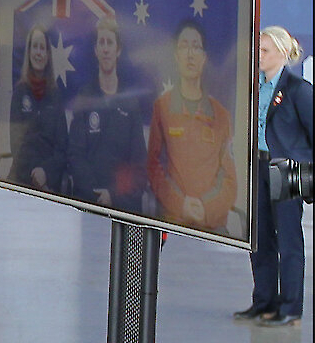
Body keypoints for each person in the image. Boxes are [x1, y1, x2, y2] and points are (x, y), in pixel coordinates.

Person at [238, 26, 311, 327]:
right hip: (258, 166)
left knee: (289, 238)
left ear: (281, 53)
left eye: (265, 50)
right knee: (260, 237)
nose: (259, 55)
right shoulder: (255, 87)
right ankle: (264, 301)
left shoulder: (297, 89)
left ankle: (291, 307)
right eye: (258, 48)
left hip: (286, 169)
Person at [147, 20, 240, 233]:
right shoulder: (162, 107)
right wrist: (181, 204)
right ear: (176, 55)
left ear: (204, 58)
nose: (190, 54)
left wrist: (206, 208)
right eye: (184, 46)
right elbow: (153, 166)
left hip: (212, 227)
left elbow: (229, 180)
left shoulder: (221, 115)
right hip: (172, 220)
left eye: (196, 47)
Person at [64, 18, 152, 210]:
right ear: (95, 50)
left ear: (118, 50)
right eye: (101, 43)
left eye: (109, 43)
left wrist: (113, 195)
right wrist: (96, 194)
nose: (105, 49)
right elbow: (75, 156)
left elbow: (138, 165)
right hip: (88, 203)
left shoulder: (130, 103)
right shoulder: (85, 98)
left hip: (123, 205)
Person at [8, 24, 69, 193]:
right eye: (35, 46)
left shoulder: (55, 95)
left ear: (48, 54)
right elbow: (16, 143)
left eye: (42, 48)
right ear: (28, 52)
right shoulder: (20, 92)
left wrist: (45, 172)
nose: (38, 52)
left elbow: (62, 146)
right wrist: (32, 172)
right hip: (21, 176)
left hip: (50, 179)